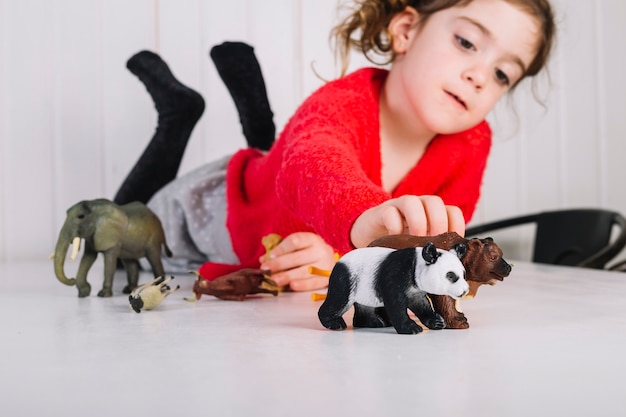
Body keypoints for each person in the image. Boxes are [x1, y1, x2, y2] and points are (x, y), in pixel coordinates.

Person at [114, 0, 556, 292]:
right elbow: (311, 163)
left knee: (274, 153)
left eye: (502, 74)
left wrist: (342, 258)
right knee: (125, 231)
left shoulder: (471, 142)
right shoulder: (345, 101)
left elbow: (432, 248)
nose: (480, 75)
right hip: (222, 209)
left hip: (284, 229)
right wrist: (360, 223)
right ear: (405, 31)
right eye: (466, 42)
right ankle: (177, 115)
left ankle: (251, 116)